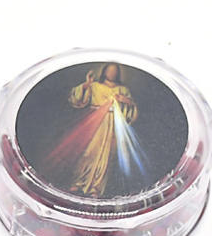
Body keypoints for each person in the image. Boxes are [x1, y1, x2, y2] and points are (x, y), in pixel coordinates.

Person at [44, 63, 142, 197]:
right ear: (104, 72)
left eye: (114, 71)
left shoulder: (123, 89)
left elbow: (131, 110)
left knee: (106, 157)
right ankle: (79, 182)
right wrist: (86, 85)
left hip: (113, 125)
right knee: (88, 152)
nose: (112, 73)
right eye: (109, 70)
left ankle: (96, 188)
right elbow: (77, 100)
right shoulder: (95, 85)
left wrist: (126, 101)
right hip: (94, 122)